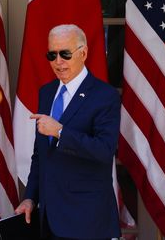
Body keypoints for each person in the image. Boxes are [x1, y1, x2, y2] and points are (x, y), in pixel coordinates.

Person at [15, 24, 121, 240]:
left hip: (87, 221)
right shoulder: (46, 92)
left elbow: (104, 150)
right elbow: (41, 155)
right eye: (52, 55)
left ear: (83, 53)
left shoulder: (105, 95)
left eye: (65, 53)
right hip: (48, 220)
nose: (58, 62)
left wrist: (61, 132)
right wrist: (30, 198)